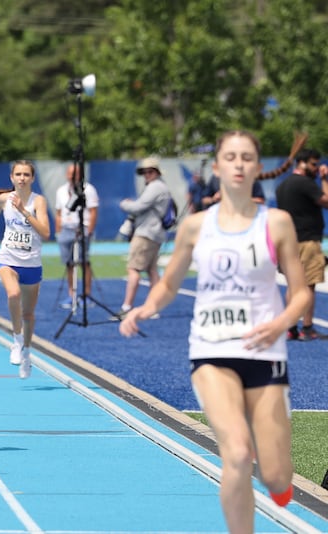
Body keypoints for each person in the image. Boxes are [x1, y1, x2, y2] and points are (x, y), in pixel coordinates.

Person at [120, 130, 309, 534]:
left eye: (247, 157)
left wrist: (279, 323)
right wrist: (144, 308)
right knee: (238, 453)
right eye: (231, 157)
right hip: (211, 350)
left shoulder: (276, 224)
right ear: (218, 167)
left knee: (275, 474)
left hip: (265, 353)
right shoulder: (196, 226)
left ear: (257, 167)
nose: (239, 164)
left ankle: (279, 482)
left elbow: (300, 295)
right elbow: (169, 284)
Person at [0, 160, 50, 378]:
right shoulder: (5, 199)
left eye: (26, 174)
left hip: (31, 263)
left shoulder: (38, 201)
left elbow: (46, 233)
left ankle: (27, 352)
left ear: (32, 178)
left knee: (29, 314)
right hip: (8, 258)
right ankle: (16, 339)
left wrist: (25, 212)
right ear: (12, 178)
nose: (22, 178)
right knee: (13, 293)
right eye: (18, 174)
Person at [274, 148, 328, 340]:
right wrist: (324, 180)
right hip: (307, 241)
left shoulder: (283, 185)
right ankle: (307, 327)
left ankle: (291, 327)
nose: (317, 168)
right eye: (314, 164)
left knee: (293, 285)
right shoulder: (306, 184)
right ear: (302, 163)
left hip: (288, 242)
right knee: (309, 284)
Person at [117, 156, 172, 317]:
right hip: (155, 233)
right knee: (152, 270)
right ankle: (153, 307)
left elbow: (138, 207)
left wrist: (124, 204)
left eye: (150, 171)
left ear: (157, 172)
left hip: (146, 233)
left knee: (133, 268)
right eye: (144, 172)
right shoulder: (160, 186)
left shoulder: (155, 187)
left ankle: (127, 307)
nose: (146, 174)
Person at [54, 162, 99, 307]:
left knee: (84, 262)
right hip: (66, 229)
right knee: (69, 264)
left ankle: (87, 295)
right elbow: (59, 213)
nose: (72, 176)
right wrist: (58, 231)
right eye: (70, 173)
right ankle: (71, 295)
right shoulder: (61, 191)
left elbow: (93, 212)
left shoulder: (88, 189)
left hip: (82, 228)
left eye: (75, 173)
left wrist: (89, 231)